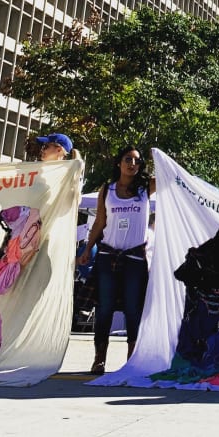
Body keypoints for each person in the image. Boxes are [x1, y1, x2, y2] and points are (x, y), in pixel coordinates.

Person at [78, 146, 155, 375]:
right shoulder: (107, 190)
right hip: (108, 255)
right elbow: (100, 222)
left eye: (137, 161)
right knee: (104, 309)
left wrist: (155, 157)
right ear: (119, 163)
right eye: (128, 159)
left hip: (135, 257)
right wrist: (87, 249)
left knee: (134, 309)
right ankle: (99, 358)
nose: (133, 164)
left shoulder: (145, 189)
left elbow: (168, 178)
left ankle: (132, 359)